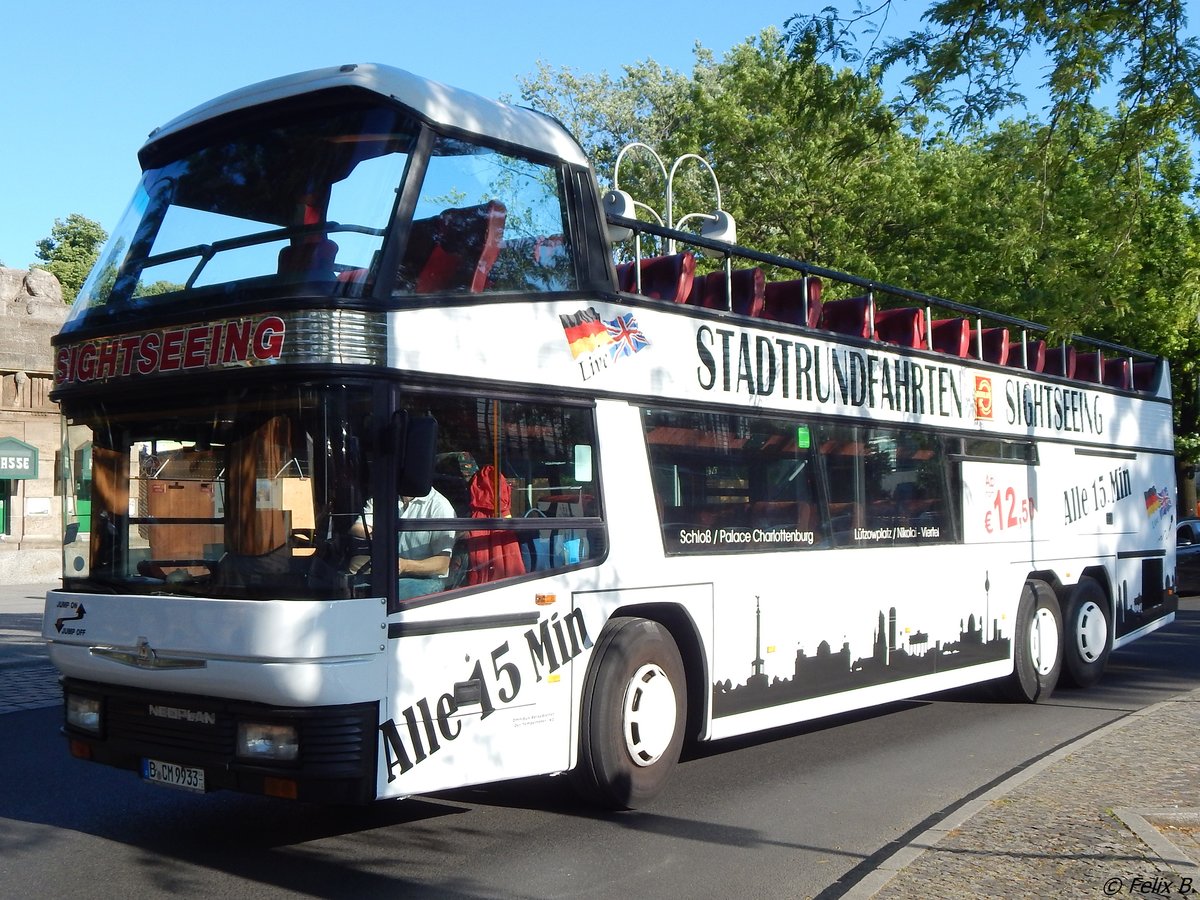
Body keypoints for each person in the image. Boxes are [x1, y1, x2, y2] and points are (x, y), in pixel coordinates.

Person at [355, 487, 458, 600]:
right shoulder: (382, 498)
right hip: (386, 571)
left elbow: (442, 565)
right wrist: (380, 536)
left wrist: (404, 565)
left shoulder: (440, 506)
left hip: (426, 578)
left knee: (382, 594)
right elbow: (357, 528)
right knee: (351, 585)